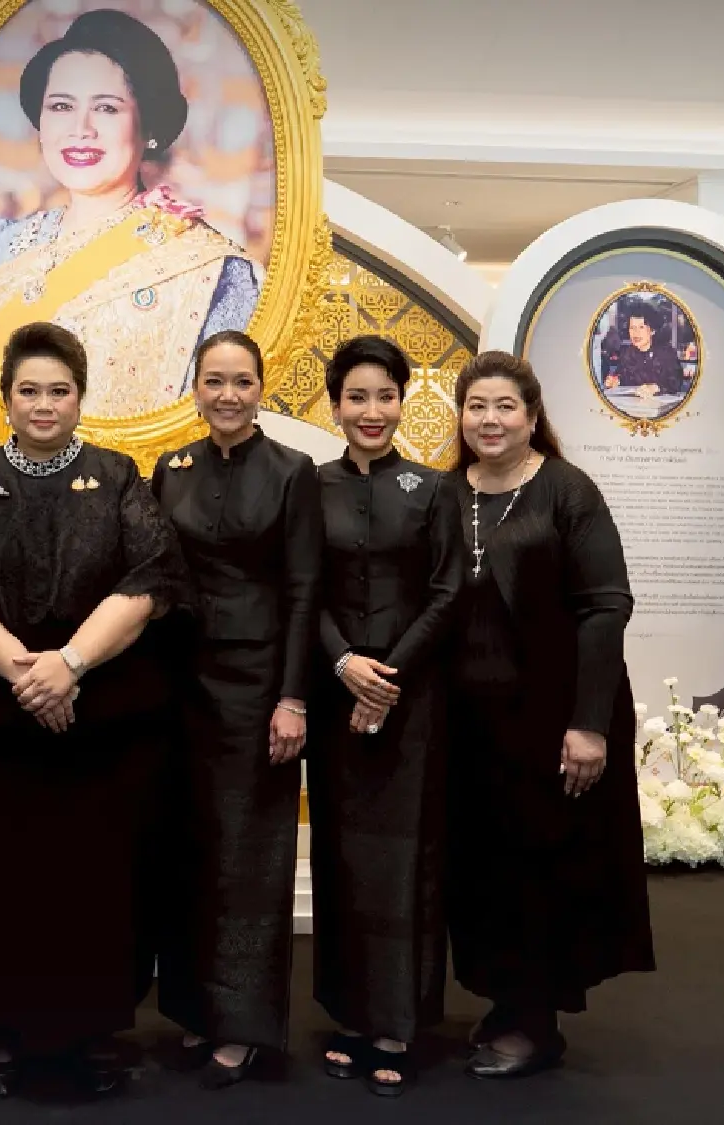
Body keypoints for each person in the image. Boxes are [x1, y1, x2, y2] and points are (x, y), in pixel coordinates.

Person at [0, 320, 189, 1098]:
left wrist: (68, 665)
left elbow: (151, 579)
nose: (43, 403)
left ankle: (95, 1024)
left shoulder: (119, 475)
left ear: (79, 397)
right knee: (0, 879)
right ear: (4, 398)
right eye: (28, 390)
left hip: (102, 721)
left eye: (58, 390)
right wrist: (25, 674)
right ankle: (4, 1022)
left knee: (95, 880)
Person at [444, 350, 654, 1080]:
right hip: (471, 728)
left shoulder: (567, 491)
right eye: (477, 406)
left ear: (532, 417)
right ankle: (507, 1000)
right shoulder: (450, 492)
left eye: (506, 406)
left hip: (552, 721)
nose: (490, 419)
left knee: (540, 873)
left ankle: (537, 1023)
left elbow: (606, 604)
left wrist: (589, 722)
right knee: (484, 873)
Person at [147, 329, 320, 1089]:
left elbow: (305, 590)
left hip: (257, 690)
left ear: (261, 386)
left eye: (241, 381)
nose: (226, 394)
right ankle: (194, 1008)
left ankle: (245, 1025)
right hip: (180, 687)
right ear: (196, 386)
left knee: (250, 858)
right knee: (189, 852)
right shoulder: (171, 466)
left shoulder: (293, 472)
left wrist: (292, 696)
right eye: (213, 380)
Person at [0, 8, 260, 416]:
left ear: (149, 126)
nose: (80, 129)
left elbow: (219, 414)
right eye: (62, 106)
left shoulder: (208, 266)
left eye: (106, 108)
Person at [307, 335, 458, 1098]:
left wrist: (386, 678)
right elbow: (302, 591)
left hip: (411, 698)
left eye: (386, 396)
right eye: (357, 397)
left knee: (406, 862)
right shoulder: (312, 485)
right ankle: (353, 1015)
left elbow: (446, 592)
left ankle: (399, 1020)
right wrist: (343, 666)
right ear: (334, 404)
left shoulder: (433, 490)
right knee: (342, 857)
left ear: (404, 401)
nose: (372, 411)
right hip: (337, 697)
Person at [601, 297, 687, 397]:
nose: (636, 333)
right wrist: (615, 381)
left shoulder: (666, 353)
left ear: (652, 330)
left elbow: (676, 381)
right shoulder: (627, 353)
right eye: (632, 327)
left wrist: (656, 387)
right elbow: (621, 376)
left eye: (641, 327)